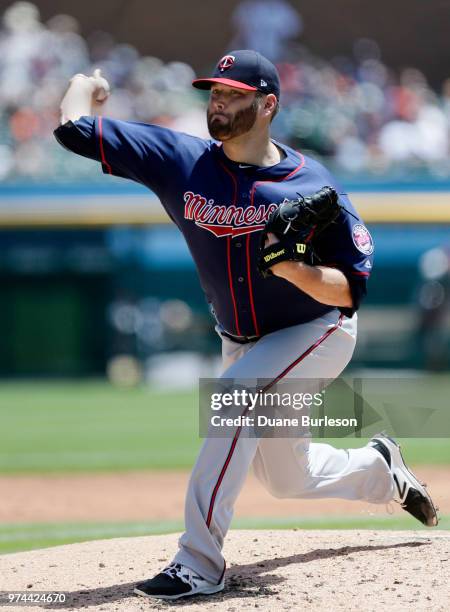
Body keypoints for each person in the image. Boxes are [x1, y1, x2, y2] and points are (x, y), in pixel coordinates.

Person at [54, 50, 438, 601]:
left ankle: (199, 564)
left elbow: (351, 291)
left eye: (233, 93)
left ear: (268, 104)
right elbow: (73, 131)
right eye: (215, 91)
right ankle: (381, 469)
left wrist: (292, 268)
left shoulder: (311, 185)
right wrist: (81, 85)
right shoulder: (181, 160)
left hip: (317, 330)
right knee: (288, 479)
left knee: (235, 397)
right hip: (242, 341)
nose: (219, 100)